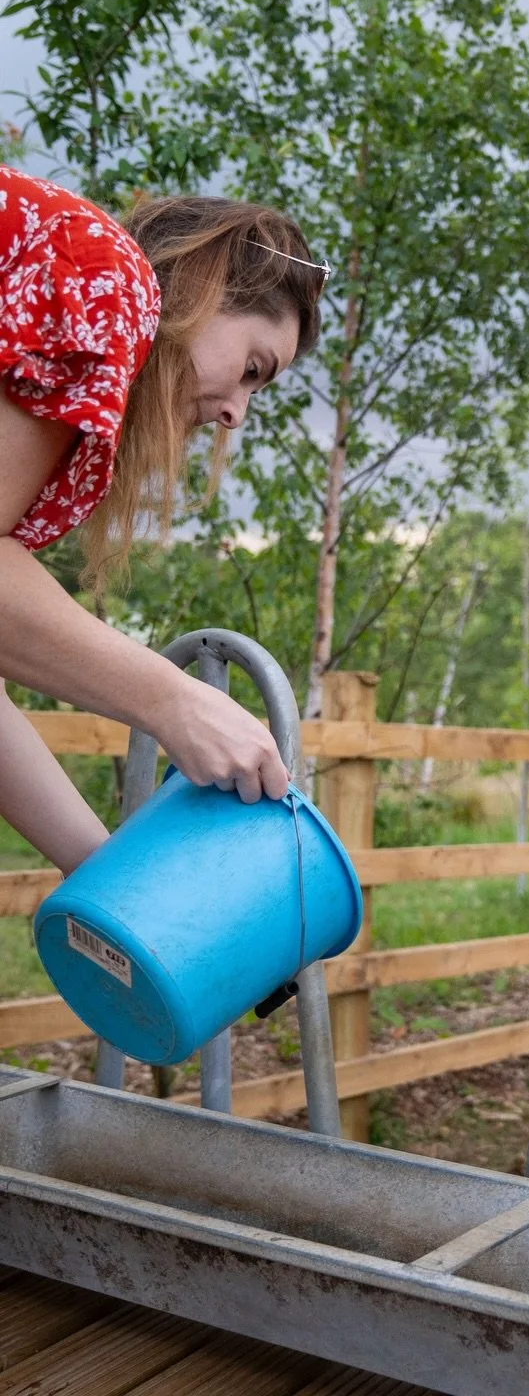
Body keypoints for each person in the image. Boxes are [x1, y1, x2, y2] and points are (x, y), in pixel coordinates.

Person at [0, 164, 326, 876]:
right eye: (252, 367)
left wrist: (114, 890)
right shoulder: (106, 275)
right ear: (205, 291)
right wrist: (172, 701)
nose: (238, 413)